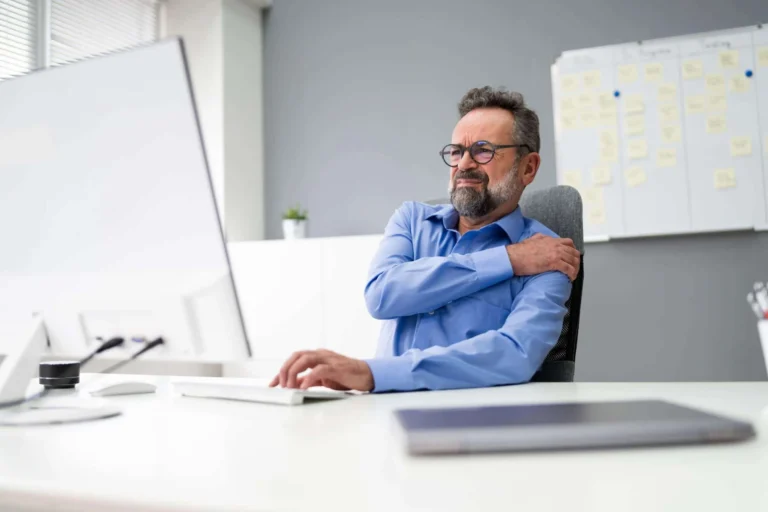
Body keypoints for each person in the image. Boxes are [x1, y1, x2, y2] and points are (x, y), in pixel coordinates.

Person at [270, 86, 581, 393]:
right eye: (456, 151)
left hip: (474, 416)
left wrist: (374, 374)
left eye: (483, 150)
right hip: (380, 410)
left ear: (528, 167)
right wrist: (507, 260)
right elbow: (381, 296)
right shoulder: (411, 220)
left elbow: (514, 354)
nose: (463, 165)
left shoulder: (550, 254)